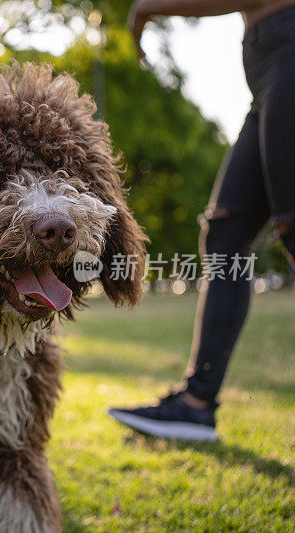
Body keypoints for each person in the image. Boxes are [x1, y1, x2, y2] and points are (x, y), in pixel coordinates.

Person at [108, 0, 295, 441]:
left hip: (289, 49)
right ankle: (196, 402)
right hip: (268, 65)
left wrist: (147, 9)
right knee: (226, 235)